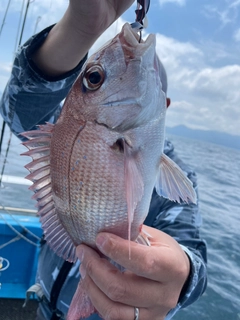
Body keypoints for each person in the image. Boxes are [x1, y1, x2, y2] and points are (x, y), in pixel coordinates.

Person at [0, 1, 207, 319]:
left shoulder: (181, 179)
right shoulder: (69, 127)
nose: (133, 58)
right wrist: (81, 27)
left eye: (95, 77)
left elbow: (192, 253)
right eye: (94, 79)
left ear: (163, 104)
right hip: (45, 304)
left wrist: (185, 276)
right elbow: (18, 111)